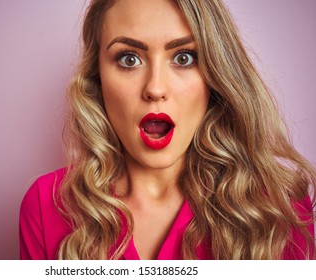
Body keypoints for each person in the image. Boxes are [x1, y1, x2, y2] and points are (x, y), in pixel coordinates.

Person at [19, 0, 316, 260]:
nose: (155, 89)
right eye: (129, 59)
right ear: (97, 79)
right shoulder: (48, 206)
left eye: (184, 57)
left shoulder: (278, 208)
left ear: (216, 76)